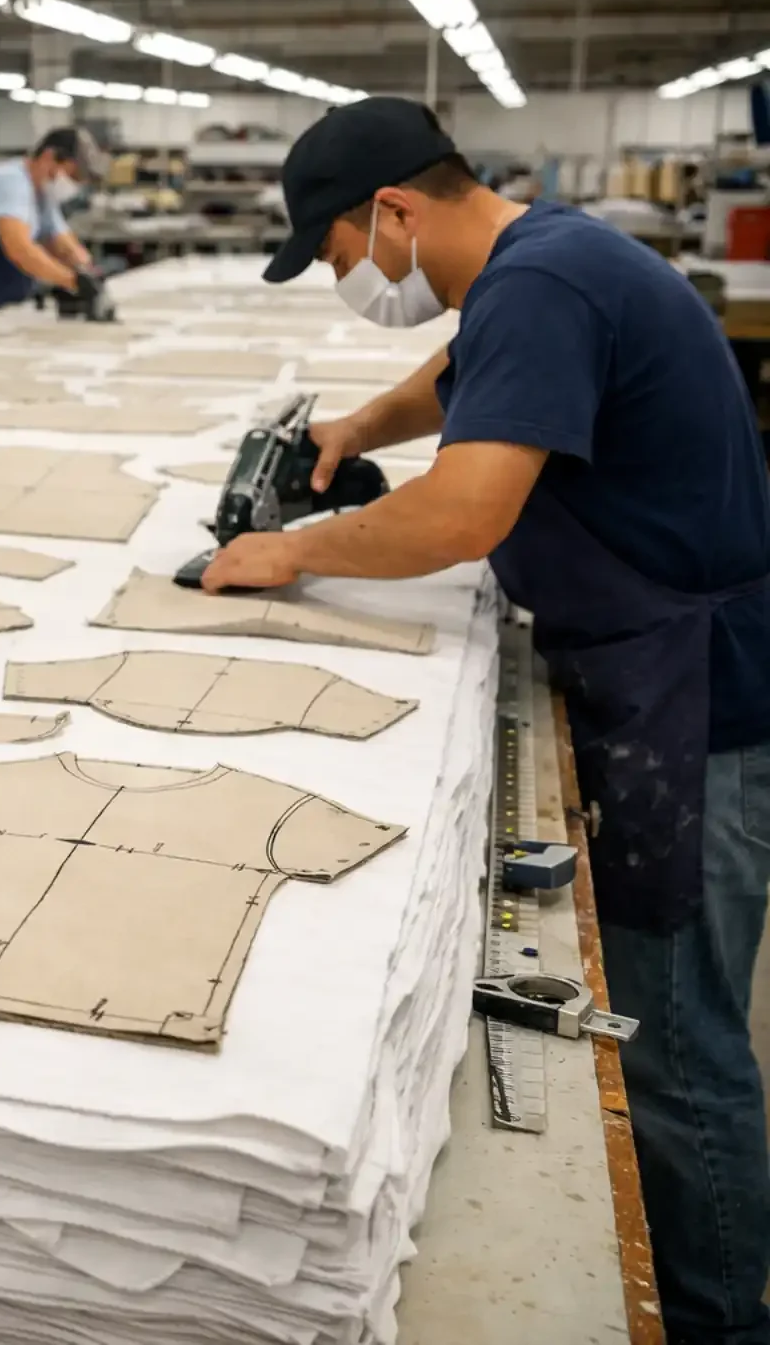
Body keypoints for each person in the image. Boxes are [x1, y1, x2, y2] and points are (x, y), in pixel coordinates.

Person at [205, 95, 770, 1345]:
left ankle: (721, 1321)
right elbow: (459, 374)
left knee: (671, 1044)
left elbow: (459, 517)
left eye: (342, 255)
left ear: (393, 211)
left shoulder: (540, 287)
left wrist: (283, 555)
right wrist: (358, 426)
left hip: (693, 704)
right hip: (659, 668)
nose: (348, 280)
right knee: (670, 1031)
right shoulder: (544, 255)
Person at [0, 126, 95, 320]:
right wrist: (72, 280)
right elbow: (19, 248)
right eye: (71, 176)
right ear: (49, 157)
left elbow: (63, 241)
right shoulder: (10, 181)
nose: (71, 185)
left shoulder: (42, 193)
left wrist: (88, 270)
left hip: (3, 300)